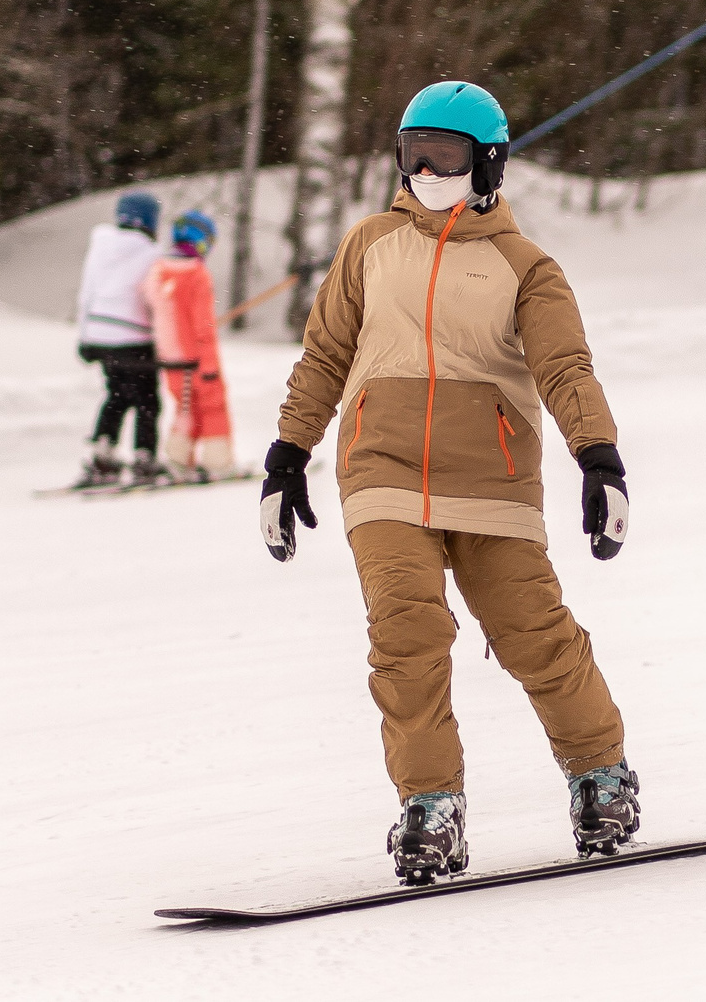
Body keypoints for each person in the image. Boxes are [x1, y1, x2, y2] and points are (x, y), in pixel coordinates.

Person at [259, 80, 637, 885]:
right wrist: (287, 455)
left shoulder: (526, 267)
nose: (425, 172)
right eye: (412, 154)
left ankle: (600, 775)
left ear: (489, 162)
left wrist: (598, 458)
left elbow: (564, 366)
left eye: (446, 155)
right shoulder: (370, 244)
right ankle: (431, 805)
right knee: (406, 638)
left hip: (491, 477)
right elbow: (325, 353)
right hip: (381, 469)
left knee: (535, 633)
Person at [70, 191, 163, 488]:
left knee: (117, 394)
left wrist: (84, 336)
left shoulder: (100, 246)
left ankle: (103, 451)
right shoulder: (153, 253)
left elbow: (87, 291)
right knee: (147, 397)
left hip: (99, 333)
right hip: (134, 335)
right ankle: (144, 456)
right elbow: (155, 299)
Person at [146, 208, 237, 482]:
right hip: (197, 359)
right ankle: (217, 462)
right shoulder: (196, 275)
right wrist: (209, 365)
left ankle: (177, 459)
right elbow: (203, 327)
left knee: (186, 408)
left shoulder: (159, 271)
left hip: (170, 360)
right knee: (212, 407)